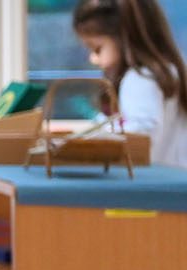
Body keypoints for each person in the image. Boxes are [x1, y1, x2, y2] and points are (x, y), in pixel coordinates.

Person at [75, 0, 187, 167]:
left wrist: (96, 136)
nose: (93, 59)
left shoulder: (140, 78)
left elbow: (141, 133)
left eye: (97, 48)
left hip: (157, 183)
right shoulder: (167, 72)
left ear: (124, 38)